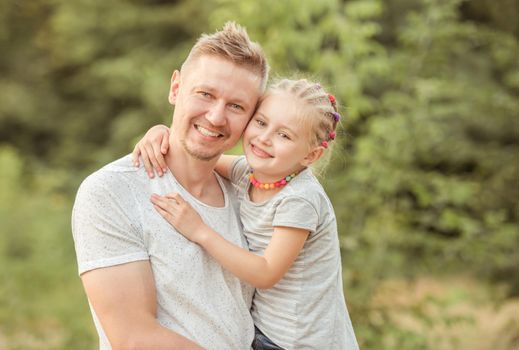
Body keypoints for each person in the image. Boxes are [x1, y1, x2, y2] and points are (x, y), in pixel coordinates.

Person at [71, 22, 269, 349]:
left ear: (251, 117)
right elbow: (135, 338)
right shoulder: (111, 192)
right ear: (176, 87)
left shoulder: (248, 194)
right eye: (205, 94)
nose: (217, 117)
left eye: (236, 106)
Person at [134, 79, 359, 349]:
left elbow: (266, 273)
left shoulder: (299, 199)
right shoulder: (249, 173)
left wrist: (199, 230)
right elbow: (198, 154)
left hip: (301, 342)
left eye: (284, 135)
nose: (264, 138)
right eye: (261, 123)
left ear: (311, 155)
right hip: (266, 332)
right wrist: (161, 134)